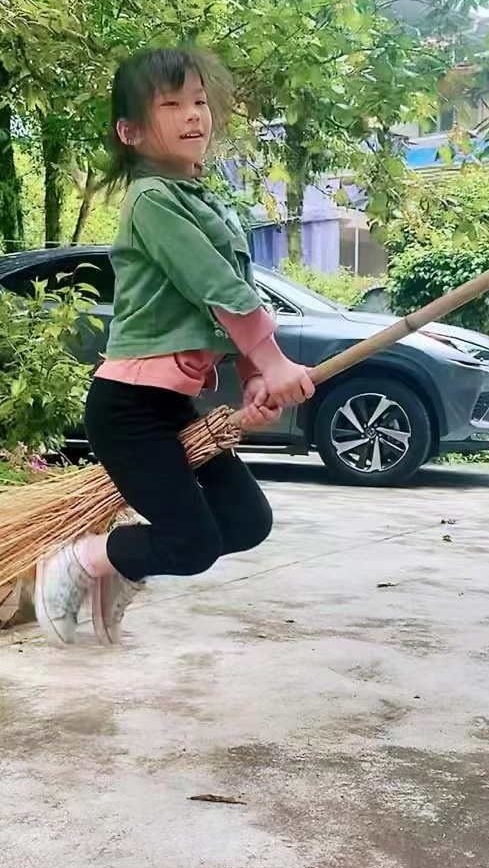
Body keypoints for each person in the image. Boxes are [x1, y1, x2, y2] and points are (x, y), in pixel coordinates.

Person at [33, 47, 316, 646]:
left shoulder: (204, 202)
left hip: (169, 408)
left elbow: (230, 293)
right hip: (129, 410)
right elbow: (213, 289)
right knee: (192, 544)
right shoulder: (151, 201)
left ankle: (122, 568)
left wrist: (255, 374)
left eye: (199, 102)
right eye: (172, 105)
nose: (194, 116)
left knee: (245, 521)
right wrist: (272, 359)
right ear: (130, 132)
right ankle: (81, 560)